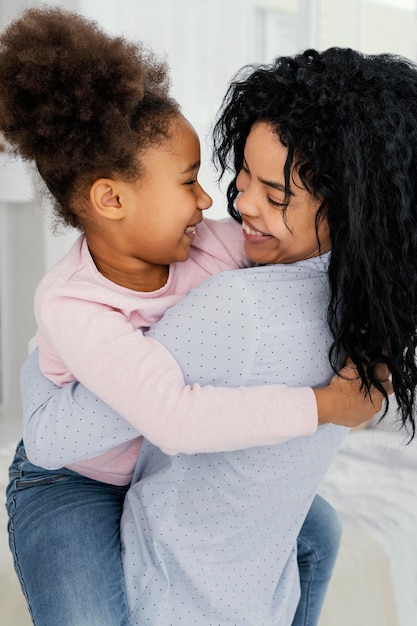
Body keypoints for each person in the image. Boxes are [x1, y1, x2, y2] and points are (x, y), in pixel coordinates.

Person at [0, 9, 386, 626]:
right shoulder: (71, 304)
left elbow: (310, 260)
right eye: (188, 182)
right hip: (73, 480)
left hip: (153, 468)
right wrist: (324, 405)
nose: (215, 200)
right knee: (85, 617)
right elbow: (174, 418)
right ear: (112, 199)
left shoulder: (210, 244)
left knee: (320, 535)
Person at [115, 47, 417, 624]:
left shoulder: (241, 307)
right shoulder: (374, 305)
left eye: (276, 196)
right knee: (320, 526)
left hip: (168, 599)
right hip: (261, 598)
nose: (239, 203)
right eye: (242, 175)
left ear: (350, 210)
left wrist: (55, 348)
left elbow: (60, 437)